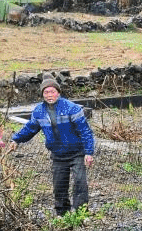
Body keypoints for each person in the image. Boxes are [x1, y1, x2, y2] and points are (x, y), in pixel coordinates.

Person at [10, 76, 96, 216]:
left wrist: (89, 152)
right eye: (46, 92)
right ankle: (62, 214)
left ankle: (81, 214)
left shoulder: (71, 108)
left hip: (77, 153)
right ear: (42, 94)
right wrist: (15, 140)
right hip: (58, 155)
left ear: (58, 92)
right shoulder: (39, 111)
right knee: (59, 186)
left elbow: (85, 131)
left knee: (80, 183)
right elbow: (30, 128)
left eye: (52, 92)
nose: (49, 95)